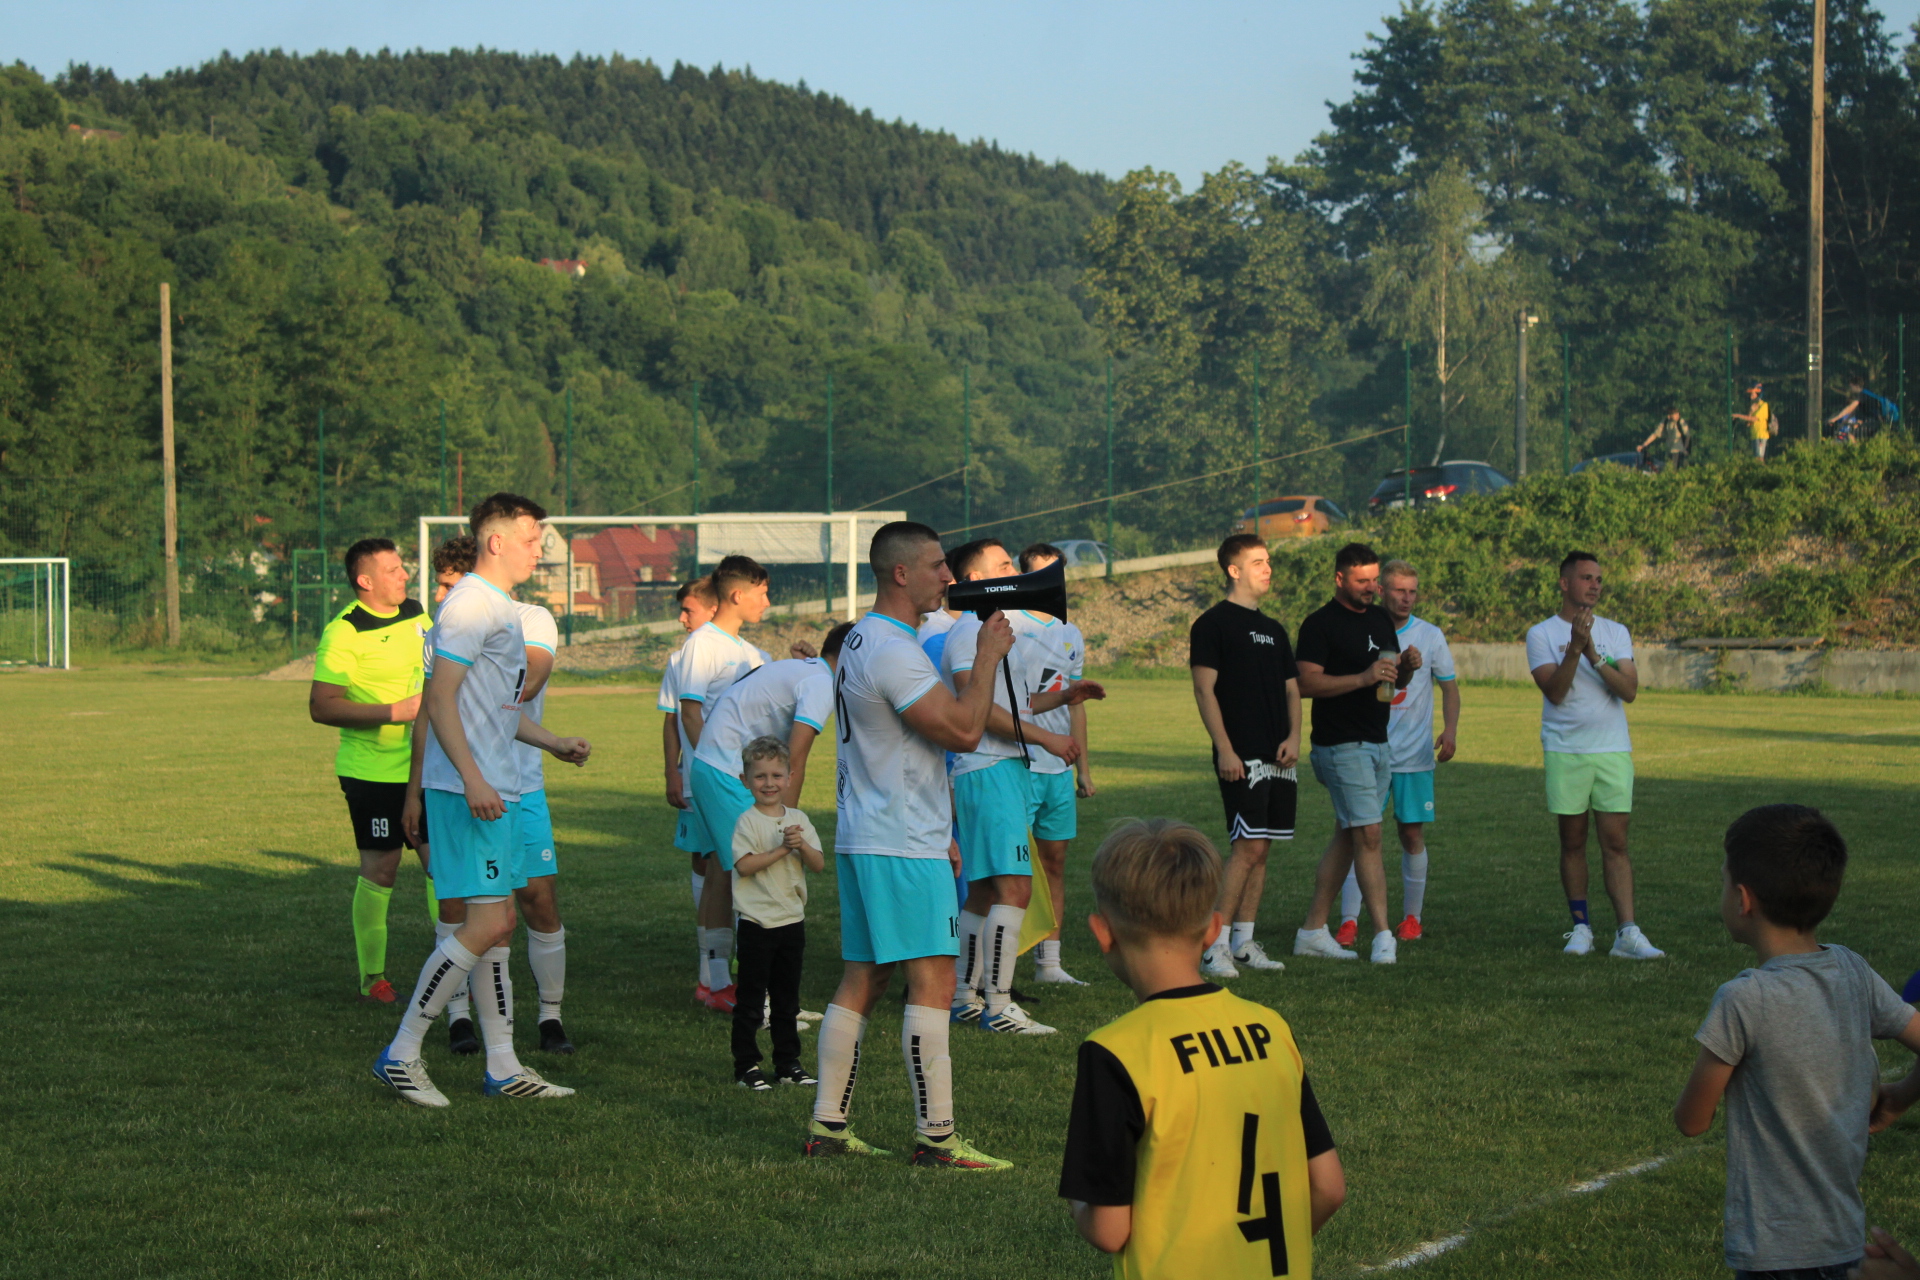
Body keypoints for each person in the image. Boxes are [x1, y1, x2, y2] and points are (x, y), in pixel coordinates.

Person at [805, 520, 1019, 1169]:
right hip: (900, 840)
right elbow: (962, 730)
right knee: (935, 977)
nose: (948, 576)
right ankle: (938, 1138)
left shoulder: (864, 638)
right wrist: (987, 656)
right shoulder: (893, 649)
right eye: (936, 565)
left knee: (866, 976)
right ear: (901, 573)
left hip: (871, 833)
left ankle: (828, 1126)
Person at [371, 493, 591, 1106]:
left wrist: (552, 742)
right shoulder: (470, 604)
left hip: (498, 787)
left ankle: (503, 1065)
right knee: (490, 922)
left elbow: (496, 710)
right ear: (497, 541)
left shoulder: (499, 608)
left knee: (496, 928)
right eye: (531, 539)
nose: (539, 550)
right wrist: (471, 779)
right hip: (470, 792)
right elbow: (439, 699)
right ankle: (401, 1053)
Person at [1060, 818, 1344, 1276]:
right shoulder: (1270, 1028)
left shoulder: (1115, 1052)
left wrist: (1079, 1202)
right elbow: (1328, 1187)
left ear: (1102, 931)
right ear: (1214, 929)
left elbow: (1110, 1230)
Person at [1674, 805, 1920, 1279]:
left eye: (1723, 881)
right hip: (1845, 1242)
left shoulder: (1743, 999)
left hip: (1774, 1253)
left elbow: (1692, 1121)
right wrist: (1900, 1098)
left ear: (1742, 899)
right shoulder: (1852, 969)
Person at [943, 537, 1101, 1035]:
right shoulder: (968, 631)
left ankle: (964, 996)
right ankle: (999, 1005)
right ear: (976, 580)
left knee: (984, 891)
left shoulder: (993, 630)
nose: (1014, 571)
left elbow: (1019, 702)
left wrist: (1066, 695)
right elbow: (977, 708)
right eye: (1003, 565)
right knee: (1015, 886)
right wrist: (1046, 740)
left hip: (1000, 769)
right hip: (989, 769)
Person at [309, 537, 435, 1004]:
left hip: (427, 766)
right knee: (382, 869)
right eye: (393, 570)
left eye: (403, 567)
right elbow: (322, 706)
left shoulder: (417, 614)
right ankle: (373, 978)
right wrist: (396, 711)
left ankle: (454, 968)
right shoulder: (345, 631)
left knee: (441, 865)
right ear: (365, 581)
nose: (404, 575)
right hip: (372, 773)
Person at [1525, 551, 1664, 959]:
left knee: (1616, 842)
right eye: (1586, 578)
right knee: (1572, 841)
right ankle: (1581, 927)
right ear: (1564, 583)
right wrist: (1573, 649)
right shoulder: (1541, 634)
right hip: (1566, 750)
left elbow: (1629, 690)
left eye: (1599, 579)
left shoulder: (1615, 631)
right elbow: (1555, 691)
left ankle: (1627, 932)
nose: (1595, 585)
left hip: (1612, 749)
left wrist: (1593, 655)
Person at [1291, 543, 1412, 965]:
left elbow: (1391, 681)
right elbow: (1305, 683)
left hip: (1378, 742)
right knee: (1370, 834)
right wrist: (1362, 678)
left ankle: (1311, 931)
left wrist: (1407, 668)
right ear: (1339, 579)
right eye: (1362, 581)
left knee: (1350, 834)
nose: (1372, 588)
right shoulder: (1319, 624)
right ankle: (1382, 936)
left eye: (1375, 580)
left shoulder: (1380, 619)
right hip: (1340, 744)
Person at [1189, 533, 1300, 979]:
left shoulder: (1275, 629)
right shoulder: (1212, 624)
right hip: (1241, 757)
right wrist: (1225, 749)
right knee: (1247, 846)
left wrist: (1295, 737)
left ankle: (1244, 942)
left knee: (1262, 848)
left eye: (1268, 560)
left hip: (1279, 757)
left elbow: (1292, 690)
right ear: (1234, 570)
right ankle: (1214, 946)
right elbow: (1204, 690)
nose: (1267, 568)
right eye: (1257, 562)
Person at [1336, 559, 1457, 945]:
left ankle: (1412, 918)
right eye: (1400, 590)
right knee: (1359, 834)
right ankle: (1349, 921)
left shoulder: (1430, 635)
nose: (1407, 598)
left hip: (1414, 756)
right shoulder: (1364, 629)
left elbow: (1449, 687)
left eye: (1413, 591)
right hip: (1367, 751)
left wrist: (1450, 730)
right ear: (1381, 591)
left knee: (1411, 834)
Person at [677, 556, 774, 1013]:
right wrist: (718, 766)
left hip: (740, 778)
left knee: (721, 870)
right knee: (754, 871)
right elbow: (689, 712)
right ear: (738, 594)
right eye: (763, 593)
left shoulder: (752, 653)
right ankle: (751, 990)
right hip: (722, 779)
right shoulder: (703, 644)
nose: (767, 603)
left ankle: (714, 983)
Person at [1015, 542, 1097, 986]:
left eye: (1057, 573)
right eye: (1042, 573)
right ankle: (999, 962)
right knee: (1012, 869)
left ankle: (1049, 963)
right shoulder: (1008, 624)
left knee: (1055, 864)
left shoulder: (1071, 633)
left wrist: (1083, 768)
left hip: (1058, 769)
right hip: (1018, 764)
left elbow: (1075, 703)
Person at [728, 736, 826, 1092]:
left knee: (788, 1002)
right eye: (760, 776)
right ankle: (746, 1066)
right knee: (751, 1002)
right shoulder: (747, 822)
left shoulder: (798, 819)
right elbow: (744, 866)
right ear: (745, 780)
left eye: (776, 775)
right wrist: (783, 849)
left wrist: (802, 846)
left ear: (789, 778)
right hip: (756, 924)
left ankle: (788, 1064)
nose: (768, 783)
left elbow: (818, 864)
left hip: (791, 922)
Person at [660, 578, 720, 1005]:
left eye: (689, 610)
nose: (682, 618)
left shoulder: (749, 655)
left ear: (714, 609)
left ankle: (725, 963)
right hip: (698, 778)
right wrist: (672, 771)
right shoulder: (681, 658)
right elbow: (672, 718)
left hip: (740, 779)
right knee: (703, 861)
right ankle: (708, 969)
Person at [1733, 381, 1774, 461]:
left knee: (1759, 458)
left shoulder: (1764, 405)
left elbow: (1754, 419)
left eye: (1753, 393)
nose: (1751, 395)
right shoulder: (1754, 406)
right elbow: (1748, 424)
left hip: (1760, 435)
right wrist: (1751, 411)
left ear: (1758, 394)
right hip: (1754, 435)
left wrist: (1738, 416)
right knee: (1756, 458)